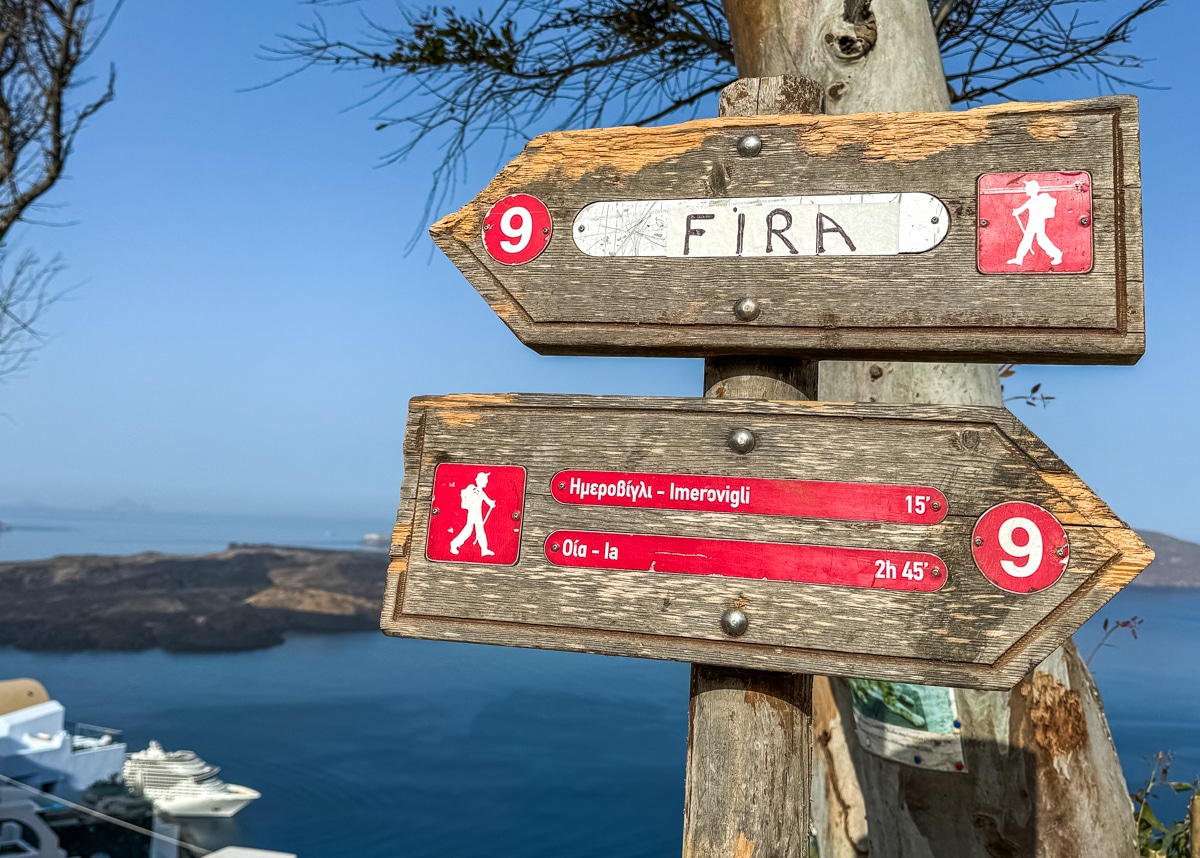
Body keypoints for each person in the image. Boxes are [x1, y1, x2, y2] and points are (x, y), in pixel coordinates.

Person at [1007, 180, 1063, 266]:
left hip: (1037, 223)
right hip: (1034, 223)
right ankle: (1019, 258)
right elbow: (1020, 209)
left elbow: (1020, 210)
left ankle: (1057, 254)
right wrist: (1016, 212)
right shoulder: (1032, 200)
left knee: (1038, 240)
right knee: (1029, 240)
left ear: (1031, 190)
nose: (1025, 190)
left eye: (1027, 188)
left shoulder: (1033, 201)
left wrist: (1016, 212)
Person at [449, 472, 496, 557]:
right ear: (481, 481)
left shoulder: (481, 492)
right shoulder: (472, 488)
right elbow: (464, 492)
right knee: (470, 530)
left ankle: (484, 549)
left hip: (477, 513)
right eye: (485, 480)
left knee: (477, 530)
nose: (487, 482)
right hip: (473, 512)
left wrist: (491, 503)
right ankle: (454, 544)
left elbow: (487, 500)